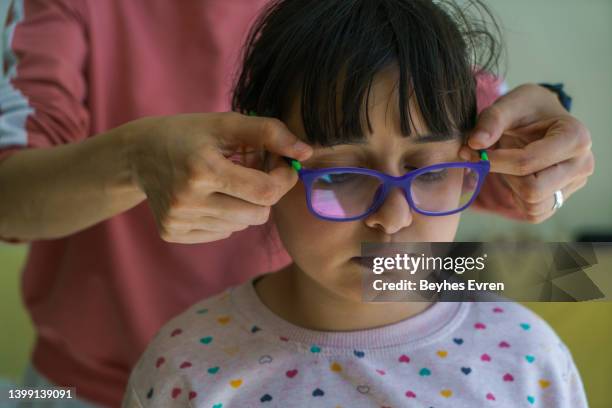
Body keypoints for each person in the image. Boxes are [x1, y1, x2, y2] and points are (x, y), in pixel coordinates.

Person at [0, 0, 593, 407]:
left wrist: (549, 122)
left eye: (424, 170)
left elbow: (507, 195)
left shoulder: (528, 353)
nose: (393, 214)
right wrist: (133, 158)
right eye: (340, 173)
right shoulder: (176, 363)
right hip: (70, 388)